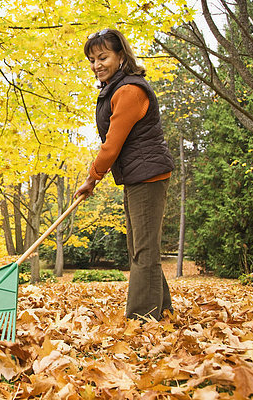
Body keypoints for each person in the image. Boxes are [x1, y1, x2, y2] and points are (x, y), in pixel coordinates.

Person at [74, 29, 175, 321]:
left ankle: (141, 319)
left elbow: (112, 144)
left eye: (103, 57)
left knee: (143, 250)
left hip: (149, 176)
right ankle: (163, 310)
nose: (96, 65)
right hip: (136, 175)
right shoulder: (115, 88)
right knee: (141, 248)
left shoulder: (130, 90)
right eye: (92, 60)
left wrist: (92, 178)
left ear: (121, 56)